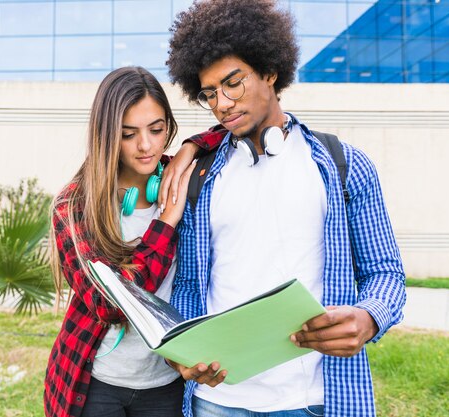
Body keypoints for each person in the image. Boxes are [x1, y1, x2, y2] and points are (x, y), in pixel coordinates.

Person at [160, 1, 407, 416]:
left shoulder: (345, 165)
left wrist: (369, 317)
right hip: (219, 401)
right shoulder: (199, 178)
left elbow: (386, 273)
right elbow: (188, 285)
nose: (221, 103)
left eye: (233, 83)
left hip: (318, 399)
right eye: (209, 94)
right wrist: (181, 349)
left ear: (270, 71)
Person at [43, 66, 225, 417]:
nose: (146, 146)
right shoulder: (75, 206)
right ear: (107, 136)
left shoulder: (181, 178)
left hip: (167, 384)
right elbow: (112, 304)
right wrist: (166, 222)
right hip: (95, 384)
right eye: (128, 134)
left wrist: (190, 148)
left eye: (157, 130)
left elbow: (232, 130)